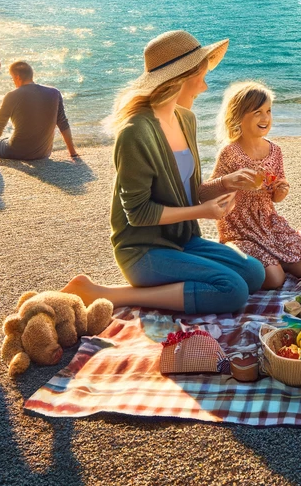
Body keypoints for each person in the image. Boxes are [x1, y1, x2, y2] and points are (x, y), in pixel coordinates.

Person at [64, 30, 265, 314]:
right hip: (144, 250)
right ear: (182, 78)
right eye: (203, 77)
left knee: (255, 273)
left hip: (182, 240)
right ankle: (109, 294)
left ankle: (173, 281)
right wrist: (202, 212)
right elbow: (139, 213)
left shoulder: (186, 119)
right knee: (233, 291)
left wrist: (224, 183)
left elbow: (190, 194)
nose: (204, 87)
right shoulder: (136, 132)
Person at [210, 81, 301, 289]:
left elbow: (276, 196)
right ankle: (248, 258)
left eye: (268, 110)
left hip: (268, 222)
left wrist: (281, 191)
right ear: (239, 116)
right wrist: (229, 183)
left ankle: (271, 259)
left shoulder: (275, 151)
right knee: (275, 280)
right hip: (239, 228)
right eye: (257, 112)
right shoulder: (230, 153)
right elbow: (208, 191)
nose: (265, 117)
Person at [0, 60, 77, 164]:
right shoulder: (54, 92)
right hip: (43, 153)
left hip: (15, 152)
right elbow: (63, 123)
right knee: (9, 129)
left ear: (17, 77)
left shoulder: (12, 95)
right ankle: (72, 152)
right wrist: (73, 153)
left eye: (12, 78)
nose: (13, 81)